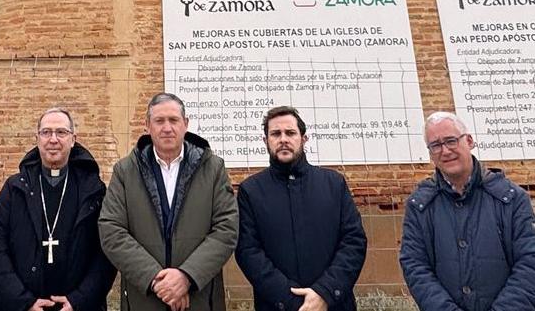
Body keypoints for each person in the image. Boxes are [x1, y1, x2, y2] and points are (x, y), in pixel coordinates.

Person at [99, 93, 237, 311]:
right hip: (144, 299)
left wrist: (186, 277)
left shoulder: (213, 168)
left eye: (173, 120)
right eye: (159, 121)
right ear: (147, 126)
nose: (167, 127)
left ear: (186, 124)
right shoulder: (125, 171)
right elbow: (111, 229)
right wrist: (156, 280)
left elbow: (226, 228)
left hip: (198, 298)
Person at [399, 111, 535, 311]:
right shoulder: (420, 206)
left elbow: (532, 266)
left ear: (469, 141)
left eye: (451, 141)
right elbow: (415, 268)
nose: (445, 151)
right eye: (436, 145)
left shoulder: (510, 198)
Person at [234, 106, 366, 311]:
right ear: (265, 141)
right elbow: (248, 251)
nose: (283, 139)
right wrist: (291, 301)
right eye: (276, 134)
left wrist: (325, 293)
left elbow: (353, 242)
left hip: (333, 304)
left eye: (291, 133)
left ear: (304, 139)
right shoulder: (251, 191)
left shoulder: (333, 184)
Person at [0, 107, 116, 311]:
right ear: (37, 138)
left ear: (73, 139)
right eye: (46, 132)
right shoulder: (14, 188)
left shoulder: (93, 190)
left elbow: (105, 252)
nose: (53, 139)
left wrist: (79, 300)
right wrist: (23, 302)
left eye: (61, 132)